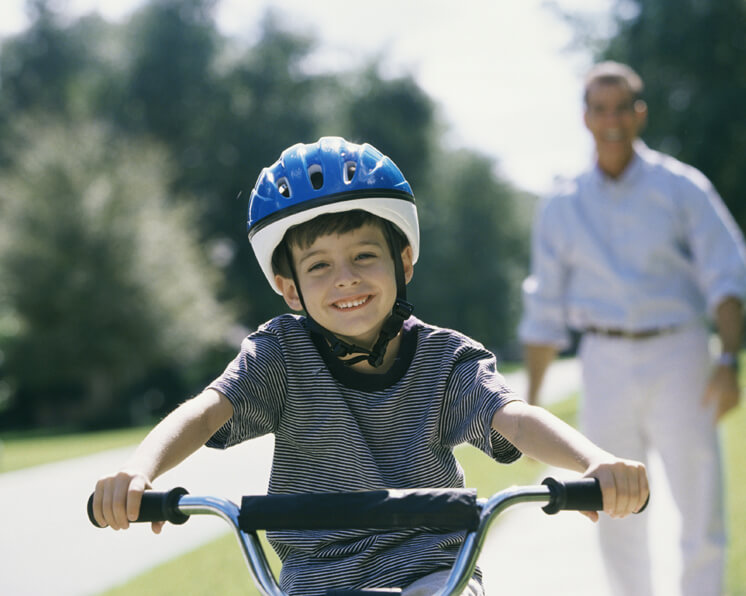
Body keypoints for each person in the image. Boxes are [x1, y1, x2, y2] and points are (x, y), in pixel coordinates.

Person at [92, 137, 648, 596]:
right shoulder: (279, 354)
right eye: (319, 266)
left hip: (433, 573)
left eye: (364, 256)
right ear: (289, 288)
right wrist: (141, 472)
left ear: (402, 261)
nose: (346, 279)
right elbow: (207, 410)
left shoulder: (447, 359)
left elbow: (515, 419)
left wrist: (592, 460)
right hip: (314, 582)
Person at [519, 62, 746, 596]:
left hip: (680, 353)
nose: (612, 119)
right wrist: (530, 403)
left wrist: (729, 359)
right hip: (603, 359)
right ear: (586, 118)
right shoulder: (562, 205)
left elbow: (725, 273)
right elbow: (544, 306)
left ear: (639, 113)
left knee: (699, 502)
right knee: (612, 499)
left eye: (623, 106)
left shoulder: (682, 188)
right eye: (601, 108)